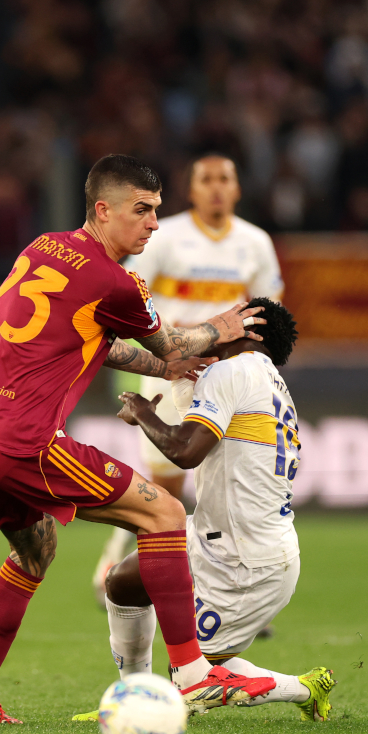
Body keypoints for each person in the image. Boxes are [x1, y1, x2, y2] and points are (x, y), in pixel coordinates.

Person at [0, 154, 278, 724]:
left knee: (34, 553)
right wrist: (220, 329)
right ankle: (194, 676)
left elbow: (90, 340)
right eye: (141, 211)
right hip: (27, 441)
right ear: (103, 210)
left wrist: (159, 369)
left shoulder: (45, 247)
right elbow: (174, 343)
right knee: (166, 514)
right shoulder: (114, 279)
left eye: (156, 212)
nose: (152, 223)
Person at [74, 298, 336, 722]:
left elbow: (185, 451)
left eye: (232, 318)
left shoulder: (235, 370)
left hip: (248, 558)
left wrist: (143, 414)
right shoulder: (260, 377)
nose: (218, 323)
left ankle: (304, 686)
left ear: (250, 331)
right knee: (122, 584)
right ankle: (134, 702)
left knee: (199, 674)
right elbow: (195, 432)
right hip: (220, 533)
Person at [91, 154, 284, 607]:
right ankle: (118, 567)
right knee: (165, 488)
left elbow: (266, 312)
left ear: (237, 189)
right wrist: (166, 351)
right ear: (192, 189)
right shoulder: (165, 236)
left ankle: (223, 587)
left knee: (220, 480)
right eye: (206, 179)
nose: (216, 187)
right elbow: (130, 298)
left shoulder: (255, 242)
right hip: (170, 369)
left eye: (224, 179)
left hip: (226, 375)